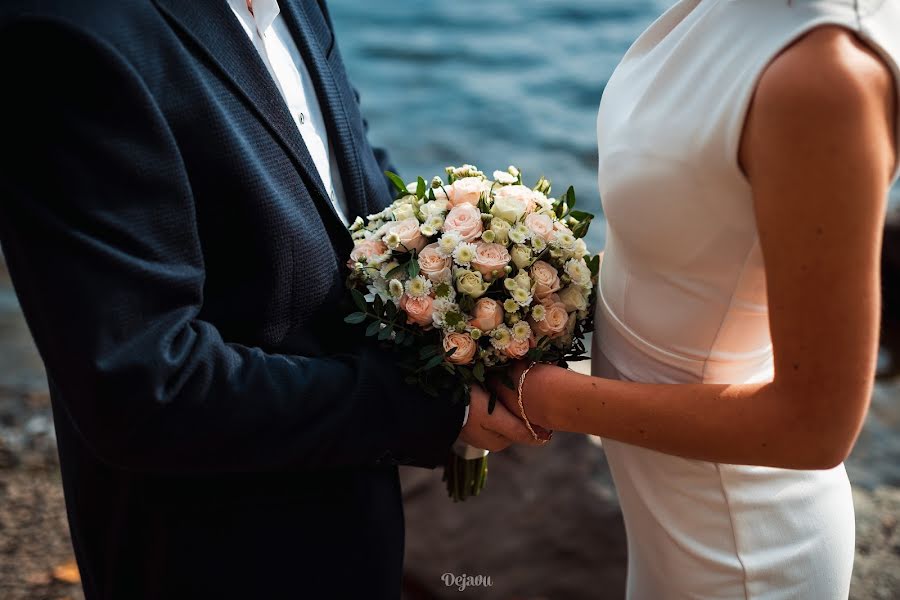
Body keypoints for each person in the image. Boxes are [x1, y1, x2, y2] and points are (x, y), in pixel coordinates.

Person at [0, 1, 537, 598]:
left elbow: (342, 185)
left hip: (356, 521)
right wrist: (434, 410)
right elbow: (145, 385)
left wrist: (474, 295)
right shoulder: (64, 34)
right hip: (210, 554)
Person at [492, 0, 900, 598]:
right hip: (667, 525)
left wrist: (537, 394)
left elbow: (816, 427)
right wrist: (519, 301)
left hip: (742, 550)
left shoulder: (824, 75)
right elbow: (688, 246)